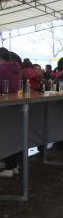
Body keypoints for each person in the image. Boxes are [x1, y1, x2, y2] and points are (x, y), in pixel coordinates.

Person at [0, 47, 22, 178]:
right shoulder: (16, 68)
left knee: (4, 135)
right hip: (15, 105)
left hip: (4, 105)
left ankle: (7, 167)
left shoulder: (1, 69)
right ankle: (13, 165)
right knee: (13, 134)